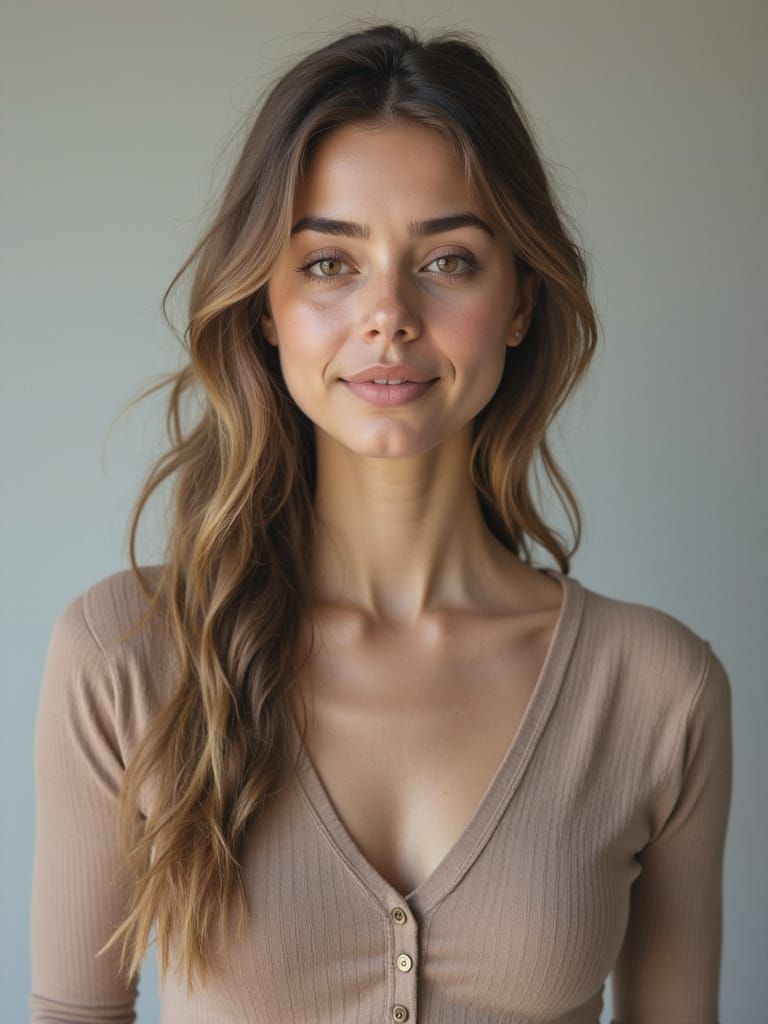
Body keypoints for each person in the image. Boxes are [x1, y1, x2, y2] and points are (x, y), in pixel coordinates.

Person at [29, 21, 733, 1024]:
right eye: (329, 263)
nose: (388, 314)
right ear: (266, 306)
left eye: (448, 260)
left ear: (522, 301)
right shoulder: (124, 656)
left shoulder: (660, 691)